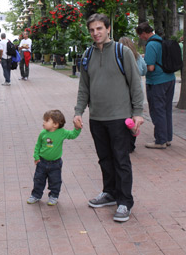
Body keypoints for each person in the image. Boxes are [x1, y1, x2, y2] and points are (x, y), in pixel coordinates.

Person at [74, 13, 144, 223]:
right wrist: (78, 111)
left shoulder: (122, 52)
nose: (96, 33)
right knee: (104, 158)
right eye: (92, 30)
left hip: (120, 117)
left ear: (108, 29)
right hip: (97, 117)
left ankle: (125, 201)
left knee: (121, 160)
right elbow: (83, 87)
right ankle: (110, 193)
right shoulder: (87, 55)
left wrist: (138, 112)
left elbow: (135, 84)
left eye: (100, 29)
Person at [26, 110, 81, 206]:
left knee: (55, 181)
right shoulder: (43, 133)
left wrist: (77, 128)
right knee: (38, 179)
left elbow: (73, 135)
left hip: (55, 163)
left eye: (47, 121)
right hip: (42, 162)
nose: (43, 122)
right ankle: (36, 195)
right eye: (44, 120)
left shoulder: (62, 132)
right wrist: (36, 156)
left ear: (55, 124)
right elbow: (38, 145)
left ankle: (54, 196)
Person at [135, 22, 176, 150]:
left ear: (144, 33)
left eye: (140, 35)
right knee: (166, 109)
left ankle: (160, 141)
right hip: (170, 79)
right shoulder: (160, 41)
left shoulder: (151, 44)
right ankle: (167, 138)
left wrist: (140, 64)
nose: (140, 38)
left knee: (157, 111)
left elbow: (150, 67)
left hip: (157, 82)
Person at [118, 36, 147, 153]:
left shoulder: (118, 57)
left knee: (124, 117)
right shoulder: (138, 57)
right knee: (133, 117)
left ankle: (124, 142)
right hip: (137, 89)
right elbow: (144, 70)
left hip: (123, 90)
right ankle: (131, 142)